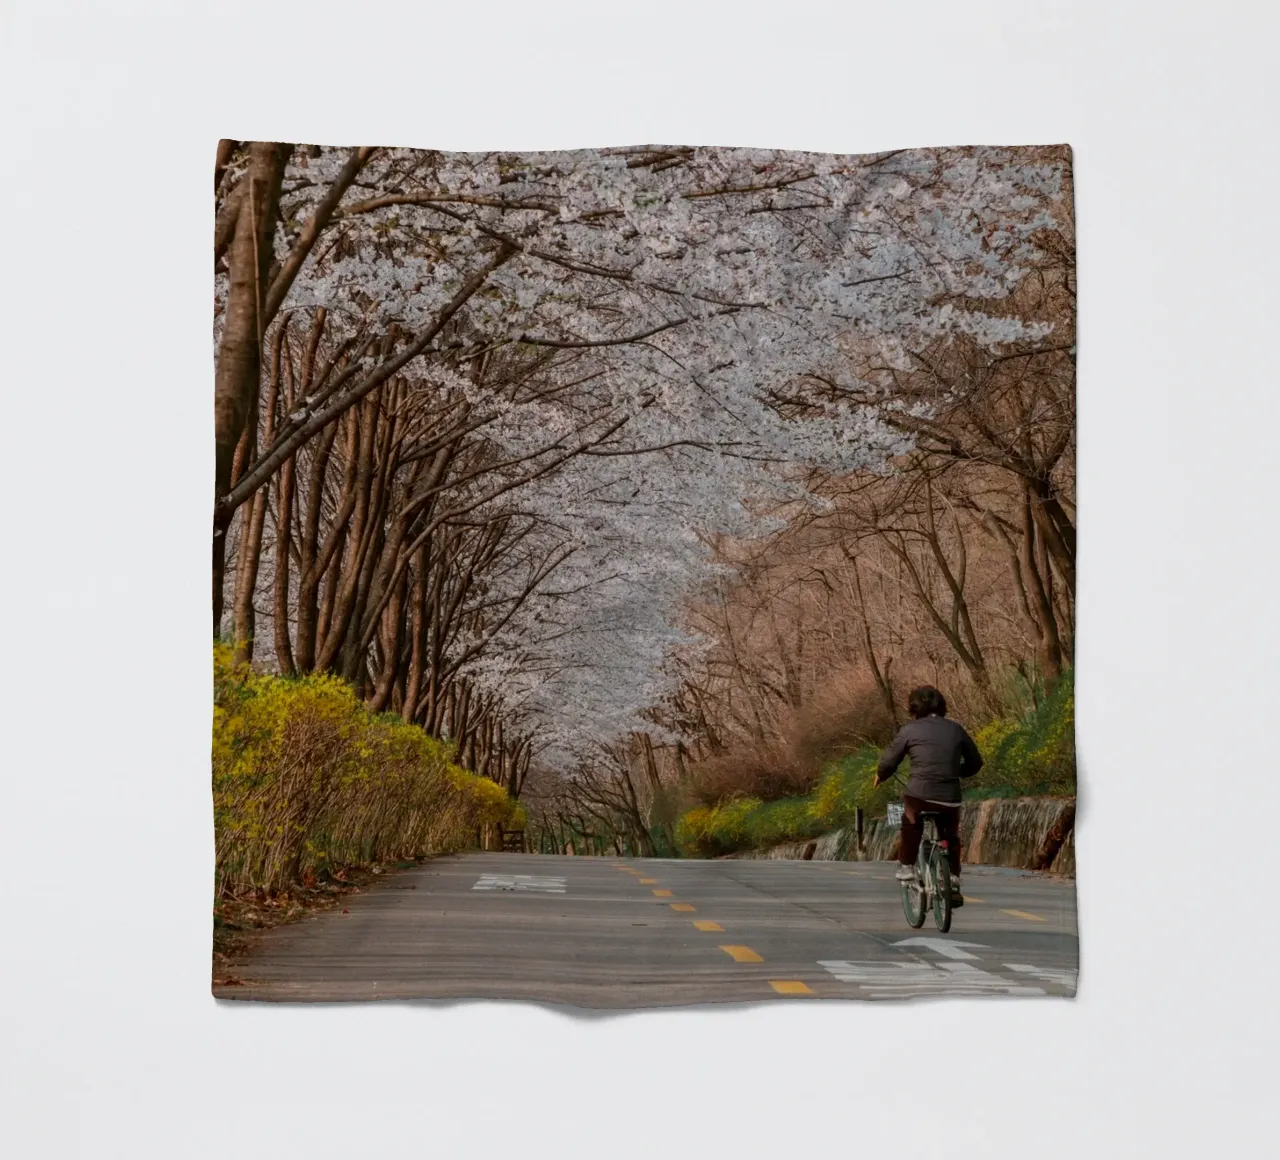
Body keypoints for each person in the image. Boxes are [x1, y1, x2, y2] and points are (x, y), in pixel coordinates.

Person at [872, 685, 983, 903]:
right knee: (950, 836)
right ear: (942, 706)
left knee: (911, 823)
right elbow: (976, 763)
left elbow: (889, 761)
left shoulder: (909, 730)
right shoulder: (956, 729)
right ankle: (952, 879)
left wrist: (880, 776)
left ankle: (906, 867)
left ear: (914, 708)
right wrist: (956, 772)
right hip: (950, 797)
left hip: (919, 795)